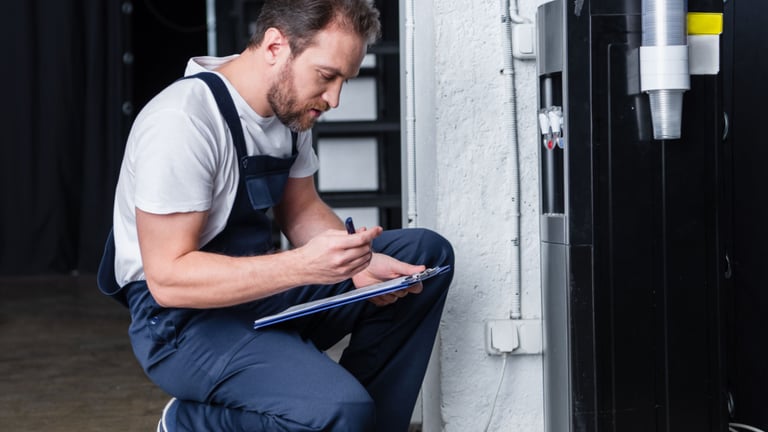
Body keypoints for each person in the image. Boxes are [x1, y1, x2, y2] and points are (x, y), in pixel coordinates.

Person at [96, 0, 454, 431]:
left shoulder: (288, 112)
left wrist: (357, 261)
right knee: (341, 408)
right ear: (274, 47)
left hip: (258, 296)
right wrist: (306, 265)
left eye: (345, 80)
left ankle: (350, 422)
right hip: (181, 325)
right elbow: (169, 279)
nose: (335, 98)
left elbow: (302, 212)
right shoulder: (183, 122)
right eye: (327, 76)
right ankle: (194, 423)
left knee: (425, 258)